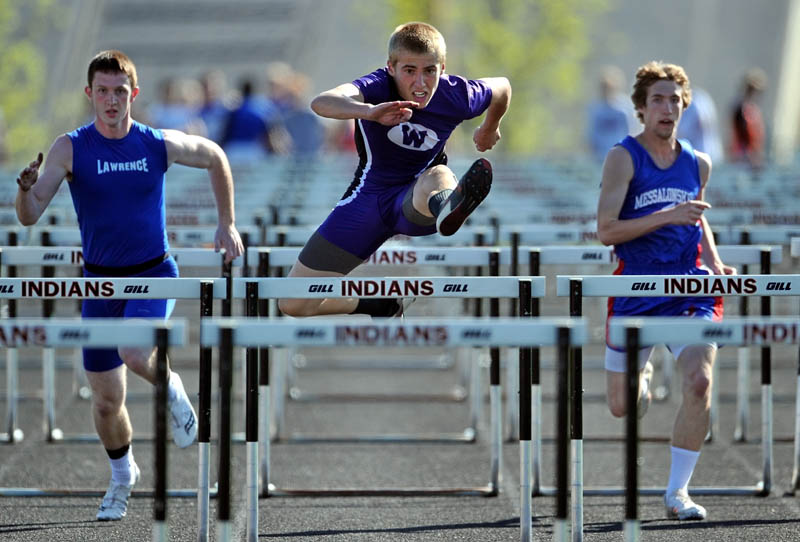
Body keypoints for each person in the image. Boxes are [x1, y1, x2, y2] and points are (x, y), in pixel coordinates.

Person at [15, 50, 244, 521]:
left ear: (133, 94)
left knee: (135, 353)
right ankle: (122, 477)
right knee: (104, 403)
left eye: (121, 91)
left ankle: (173, 387)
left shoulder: (154, 143)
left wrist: (227, 223)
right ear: (90, 95)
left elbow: (215, 156)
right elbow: (31, 214)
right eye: (103, 91)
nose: (112, 100)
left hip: (152, 274)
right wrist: (24, 189)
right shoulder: (71, 147)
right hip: (99, 285)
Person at [277, 21, 510, 318]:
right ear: (391, 67)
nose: (420, 83)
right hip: (367, 202)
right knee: (293, 302)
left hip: (416, 201)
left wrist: (490, 127)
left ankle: (450, 207)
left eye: (430, 71)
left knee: (438, 174)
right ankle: (382, 305)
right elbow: (321, 102)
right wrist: (368, 112)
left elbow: (502, 87)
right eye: (409, 71)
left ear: (443, 67)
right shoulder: (376, 86)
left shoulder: (457, 94)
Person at [596, 61, 736, 521]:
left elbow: (697, 215)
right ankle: (643, 376)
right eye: (658, 99)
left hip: (687, 287)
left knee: (700, 381)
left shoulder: (698, 162)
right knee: (621, 408)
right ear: (640, 108)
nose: (667, 108)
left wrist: (714, 262)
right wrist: (666, 216)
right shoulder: (623, 157)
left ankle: (678, 494)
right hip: (635, 288)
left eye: (675, 100)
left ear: (685, 108)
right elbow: (606, 231)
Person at [586, 65, 636, 162]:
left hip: (621, 153)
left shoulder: (624, 106)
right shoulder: (595, 108)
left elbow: (631, 130)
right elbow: (591, 133)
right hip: (601, 155)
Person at [730, 68, 767, 170]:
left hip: (752, 157)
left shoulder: (753, 108)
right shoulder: (741, 108)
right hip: (744, 158)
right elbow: (743, 135)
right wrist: (751, 155)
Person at [676, 86, 723, 164]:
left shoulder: (692, 103)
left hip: (697, 155)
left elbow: (682, 131)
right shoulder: (703, 98)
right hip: (714, 153)